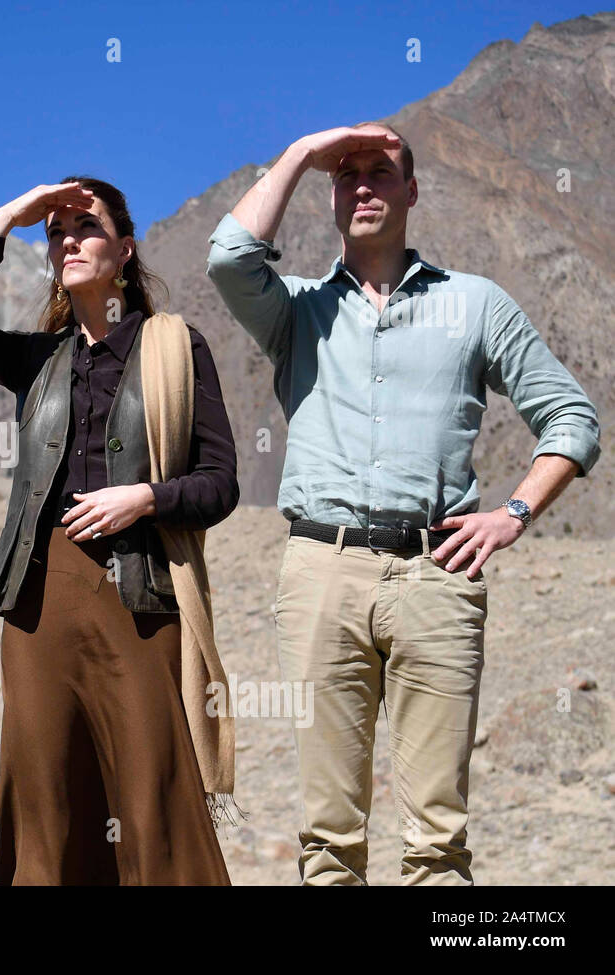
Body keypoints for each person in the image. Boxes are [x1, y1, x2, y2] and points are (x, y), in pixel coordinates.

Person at [205, 122, 602, 885]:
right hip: (322, 569)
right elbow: (228, 256)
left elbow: (573, 418)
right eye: (345, 175)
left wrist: (512, 513)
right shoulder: (295, 312)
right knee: (327, 841)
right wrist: (297, 154)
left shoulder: (477, 305)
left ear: (411, 191)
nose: (362, 186)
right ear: (327, 195)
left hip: (438, 579)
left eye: (380, 173)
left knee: (438, 842)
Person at [0, 177, 240, 885]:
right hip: (40, 601)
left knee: (153, 795)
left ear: (124, 250)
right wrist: (6, 219)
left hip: (140, 597)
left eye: (84, 227)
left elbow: (221, 483)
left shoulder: (175, 348)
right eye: (56, 232)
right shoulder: (38, 361)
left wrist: (145, 499)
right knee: (46, 799)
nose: (67, 240)